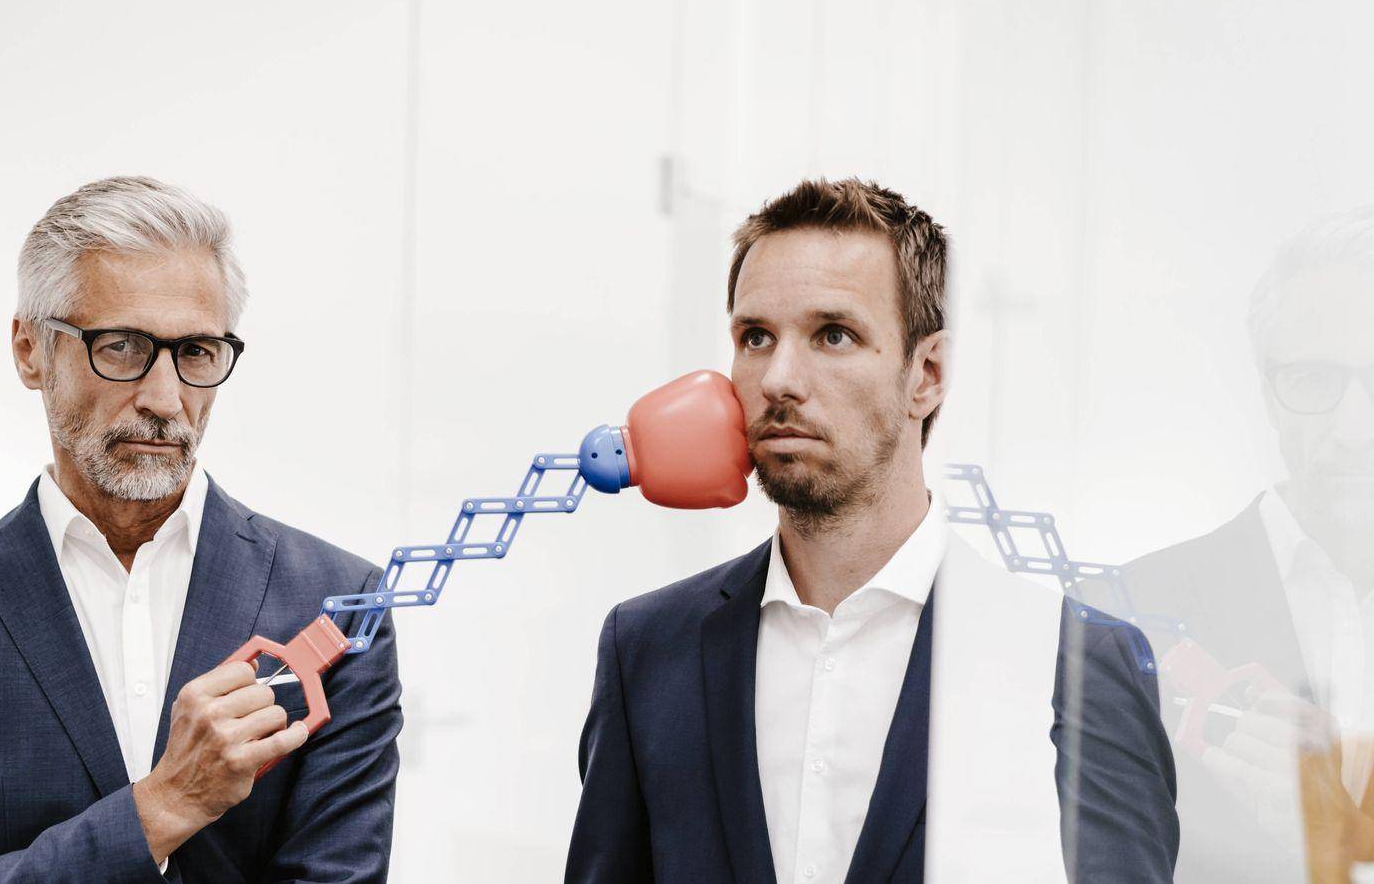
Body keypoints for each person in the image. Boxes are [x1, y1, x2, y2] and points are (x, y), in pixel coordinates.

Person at [564, 178, 1179, 883]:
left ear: (928, 373)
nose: (778, 379)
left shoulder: (1069, 664)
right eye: (755, 337)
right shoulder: (646, 651)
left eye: (833, 334)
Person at [0, 176, 401, 883]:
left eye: (198, 353)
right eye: (122, 347)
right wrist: (163, 807)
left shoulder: (340, 602)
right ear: (29, 350)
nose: (166, 400)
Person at [1125, 207, 1374, 882]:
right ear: (1269, 394)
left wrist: (1346, 839)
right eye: (1316, 380)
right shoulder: (1125, 617)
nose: (1354, 427)